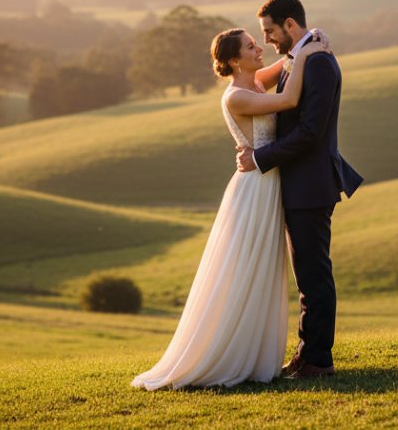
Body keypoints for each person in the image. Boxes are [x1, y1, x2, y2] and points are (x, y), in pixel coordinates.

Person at [131, 26, 326, 389]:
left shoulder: (253, 82)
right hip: (254, 188)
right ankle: (227, 351)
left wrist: (303, 45)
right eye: (251, 46)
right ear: (234, 60)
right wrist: (310, 53)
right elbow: (290, 99)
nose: (258, 49)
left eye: (257, 42)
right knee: (245, 268)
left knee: (262, 269)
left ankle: (254, 353)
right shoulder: (237, 95)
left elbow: (284, 67)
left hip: (268, 184)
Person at [237, 0, 363, 379]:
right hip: (299, 184)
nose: (269, 39)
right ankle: (306, 354)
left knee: (314, 276)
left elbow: (310, 133)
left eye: (270, 31)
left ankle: (318, 361)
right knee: (307, 275)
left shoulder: (320, 63)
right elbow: (253, 79)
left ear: (290, 24)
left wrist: (260, 159)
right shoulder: (302, 57)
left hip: (310, 185)